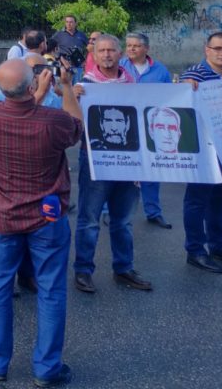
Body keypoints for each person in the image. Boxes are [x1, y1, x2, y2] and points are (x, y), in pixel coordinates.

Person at [0, 58, 82, 386]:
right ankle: (47, 368)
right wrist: (64, 87)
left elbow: (20, 112)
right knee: (51, 289)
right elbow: (76, 126)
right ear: (31, 85)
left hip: (4, 214)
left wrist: (32, 94)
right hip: (46, 215)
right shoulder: (52, 122)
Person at [73, 34, 151, 295]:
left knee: (123, 220)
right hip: (95, 159)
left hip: (129, 161)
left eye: (112, 50)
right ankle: (83, 270)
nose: (107, 54)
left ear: (121, 54)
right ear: (94, 55)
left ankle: (124, 268)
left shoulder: (134, 84)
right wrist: (72, 99)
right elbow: (71, 126)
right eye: (102, 50)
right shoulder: (84, 85)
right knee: (90, 218)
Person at [181, 31, 222, 273]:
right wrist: (185, 88)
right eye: (218, 48)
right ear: (207, 50)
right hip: (202, 151)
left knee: (220, 200)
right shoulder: (194, 74)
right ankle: (195, 250)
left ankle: (218, 245)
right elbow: (178, 97)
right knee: (197, 201)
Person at [120, 32, 174, 229]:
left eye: (136, 46)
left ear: (146, 49)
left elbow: (170, 97)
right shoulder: (119, 67)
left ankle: (153, 212)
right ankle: (114, 212)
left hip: (151, 126)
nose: (131, 49)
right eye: (129, 45)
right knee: (122, 169)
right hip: (125, 126)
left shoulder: (160, 71)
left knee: (151, 170)